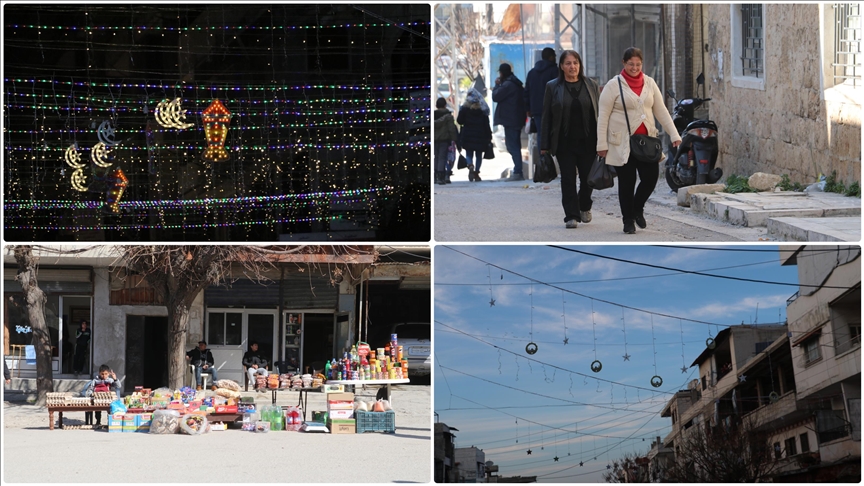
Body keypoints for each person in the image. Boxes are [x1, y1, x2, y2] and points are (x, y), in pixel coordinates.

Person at [596, 47, 681, 234]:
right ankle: (628, 220)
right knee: (627, 181)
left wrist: (674, 135)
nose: (634, 68)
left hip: (647, 143)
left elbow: (661, 111)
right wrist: (601, 145)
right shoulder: (613, 86)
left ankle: (637, 209)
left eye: (638, 64)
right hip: (622, 144)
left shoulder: (650, 83)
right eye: (630, 64)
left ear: (642, 64)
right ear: (623, 63)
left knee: (650, 178)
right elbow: (603, 117)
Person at [540, 50, 601, 229]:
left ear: (580, 65)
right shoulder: (552, 87)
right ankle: (571, 216)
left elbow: (599, 113)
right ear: (561, 66)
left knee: (588, 178)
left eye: (575, 63)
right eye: (568, 63)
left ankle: (584, 205)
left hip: (588, 141)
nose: (572, 66)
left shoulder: (591, 85)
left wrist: (604, 141)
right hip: (563, 142)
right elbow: (546, 117)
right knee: (567, 179)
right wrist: (544, 145)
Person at [492, 63, 527, 181]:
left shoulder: (507, 85)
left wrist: (496, 86)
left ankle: (518, 171)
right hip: (516, 118)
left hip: (511, 119)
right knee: (514, 145)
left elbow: (496, 97)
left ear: (502, 73)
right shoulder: (515, 83)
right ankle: (518, 170)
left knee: (512, 146)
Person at [456, 88, 493, 182]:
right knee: (479, 155)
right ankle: (476, 173)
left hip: (468, 135)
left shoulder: (465, 109)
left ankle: (470, 165)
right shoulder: (483, 109)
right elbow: (486, 125)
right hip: (481, 136)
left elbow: (459, 121)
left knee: (469, 153)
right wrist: (489, 137)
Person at [524, 47, 559, 139]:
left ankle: (543, 153)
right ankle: (552, 153)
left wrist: (528, 109)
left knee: (541, 133)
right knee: (554, 133)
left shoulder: (531, 73)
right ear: (551, 57)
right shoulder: (555, 71)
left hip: (536, 109)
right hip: (552, 108)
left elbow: (527, 92)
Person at [434, 97, 459, 185]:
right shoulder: (448, 116)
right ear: (445, 105)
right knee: (442, 158)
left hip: (434, 140)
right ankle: (441, 177)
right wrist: (454, 139)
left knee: (436, 157)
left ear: (436, 106)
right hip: (444, 139)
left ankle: (435, 177)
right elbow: (451, 129)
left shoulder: (433, 115)